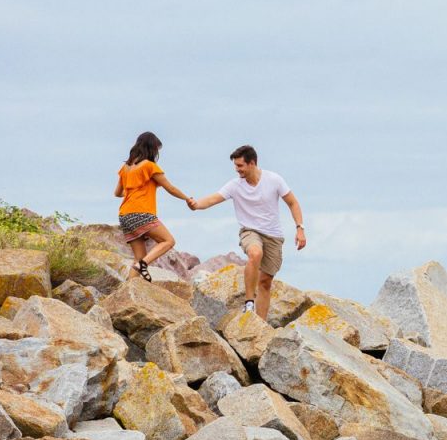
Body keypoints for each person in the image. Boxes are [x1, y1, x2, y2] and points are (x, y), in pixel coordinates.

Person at [189, 145, 305, 319]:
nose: (237, 170)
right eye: (236, 166)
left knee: (265, 283)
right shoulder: (235, 185)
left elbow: (293, 203)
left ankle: (260, 324)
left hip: (273, 235)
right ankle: (249, 303)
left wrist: (300, 228)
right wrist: (197, 205)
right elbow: (214, 198)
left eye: (240, 166)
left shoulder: (274, 180)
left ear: (252, 163)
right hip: (249, 231)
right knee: (255, 253)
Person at [114, 131, 193, 282]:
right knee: (168, 241)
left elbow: (117, 193)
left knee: (138, 258)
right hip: (141, 213)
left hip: (124, 215)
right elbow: (171, 188)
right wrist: (187, 199)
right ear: (152, 148)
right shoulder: (150, 167)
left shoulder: (125, 167)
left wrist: (135, 190)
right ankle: (143, 265)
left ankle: (128, 291)